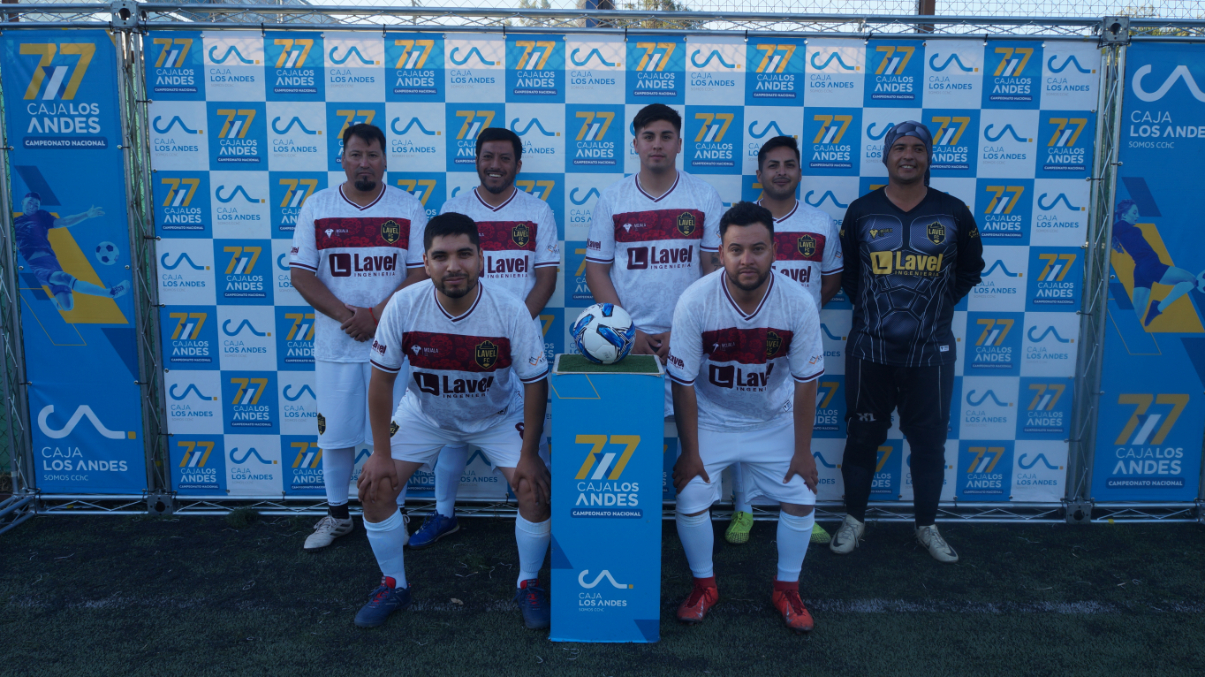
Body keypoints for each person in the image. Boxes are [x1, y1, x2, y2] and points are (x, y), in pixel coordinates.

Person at [354, 212, 552, 630]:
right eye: (441, 257)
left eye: (464, 254)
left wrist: (530, 454)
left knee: (534, 491)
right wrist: (380, 453)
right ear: (425, 263)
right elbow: (381, 383)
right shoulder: (403, 305)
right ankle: (393, 584)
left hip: (497, 415)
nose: (453, 266)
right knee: (375, 488)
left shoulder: (509, 309)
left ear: (482, 259)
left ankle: (528, 582)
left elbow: (535, 383)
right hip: (424, 414)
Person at [829, 121, 984, 563]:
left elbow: (970, 269)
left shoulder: (954, 211)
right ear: (886, 156)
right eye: (899, 147)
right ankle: (854, 520)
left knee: (929, 444)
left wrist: (936, 308)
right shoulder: (861, 211)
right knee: (862, 437)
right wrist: (877, 314)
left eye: (918, 148)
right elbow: (850, 277)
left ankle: (926, 526)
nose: (908, 155)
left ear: (929, 157)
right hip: (870, 350)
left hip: (930, 353)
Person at [666, 201, 824, 633]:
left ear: (775, 250)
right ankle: (704, 587)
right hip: (711, 419)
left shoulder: (797, 302)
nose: (746, 260)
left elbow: (806, 383)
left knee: (802, 496)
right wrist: (691, 452)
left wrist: (803, 451)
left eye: (757, 249)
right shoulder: (695, 300)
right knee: (690, 498)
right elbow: (683, 383)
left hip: (773, 420)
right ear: (721, 252)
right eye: (736, 250)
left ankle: (787, 589)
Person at [411, 127, 559, 549]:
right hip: (458, 341)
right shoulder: (455, 208)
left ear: (518, 164)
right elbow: (439, 278)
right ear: (476, 160)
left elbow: (546, 279)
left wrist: (510, 330)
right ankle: (444, 514)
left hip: (517, 343)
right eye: (488, 157)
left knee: (530, 436)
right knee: (453, 426)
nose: (496, 165)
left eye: (505, 158)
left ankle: (541, 518)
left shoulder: (537, 210)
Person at [289, 123, 429, 551]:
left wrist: (375, 316)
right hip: (336, 346)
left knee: (393, 435)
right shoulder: (318, 205)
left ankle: (394, 512)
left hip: (392, 346)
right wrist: (350, 318)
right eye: (355, 154)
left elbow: (420, 273)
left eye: (372, 155)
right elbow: (301, 275)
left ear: (384, 160)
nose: (364, 163)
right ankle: (337, 516)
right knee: (335, 435)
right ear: (343, 160)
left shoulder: (407, 206)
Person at [722, 136, 845, 547]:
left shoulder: (819, 222)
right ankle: (744, 507)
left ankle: (802, 507)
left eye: (789, 165)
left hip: (796, 345)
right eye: (772, 165)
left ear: (799, 172)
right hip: (747, 342)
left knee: (798, 428)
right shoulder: (741, 220)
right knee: (743, 422)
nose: (781, 172)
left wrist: (800, 317)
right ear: (759, 173)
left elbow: (831, 280)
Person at [585, 102, 723, 419]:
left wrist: (686, 331)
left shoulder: (704, 196)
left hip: (690, 336)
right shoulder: (613, 198)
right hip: (629, 341)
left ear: (679, 144)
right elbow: (596, 271)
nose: (657, 144)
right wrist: (627, 333)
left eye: (666, 136)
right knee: (633, 432)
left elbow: (714, 270)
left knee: (696, 436)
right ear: (635, 144)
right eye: (649, 137)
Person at [15, 192, 129, 310]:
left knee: (67, 306)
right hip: (33, 265)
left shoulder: (41, 215)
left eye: (36, 205)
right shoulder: (14, 223)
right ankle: (109, 293)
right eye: (30, 202)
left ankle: (44, 302)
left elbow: (64, 221)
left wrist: (86, 215)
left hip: (50, 261)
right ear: (22, 202)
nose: (32, 206)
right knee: (64, 277)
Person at [1112, 199, 1200, 328]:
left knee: (1137, 314)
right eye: (1134, 212)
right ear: (1124, 215)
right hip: (1151, 265)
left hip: (1140, 269)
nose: (1137, 216)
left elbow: (1111, 233)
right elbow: (1109, 231)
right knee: (1191, 279)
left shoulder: (1121, 228)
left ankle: (1124, 330)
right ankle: (1158, 307)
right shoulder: (1120, 225)